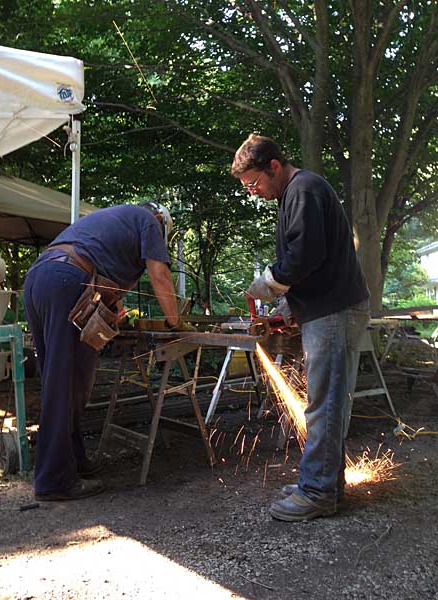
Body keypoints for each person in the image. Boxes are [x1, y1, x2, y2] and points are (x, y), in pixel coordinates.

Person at [231, 134, 370, 521]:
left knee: (324, 402)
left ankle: (318, 491)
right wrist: (287, 300)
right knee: (326, 401)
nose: (254, 192)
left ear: (274, 166)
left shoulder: (304, 189)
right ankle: (323, 481)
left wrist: (270, 282)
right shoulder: (294, 194)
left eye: (255, 182)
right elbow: (314, 258)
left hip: (334, 310)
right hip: (327, 308)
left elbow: (305, 255)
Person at [24, 202, 191, 501]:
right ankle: (53, 481)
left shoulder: (115, 225)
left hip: (41, 277)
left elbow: (108, 284)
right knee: (64, 382)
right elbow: (160, 275)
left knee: (67, 380)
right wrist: (174, 322)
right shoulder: (148, 222)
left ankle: (72, 462)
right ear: (161, 222)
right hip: (65, 280)